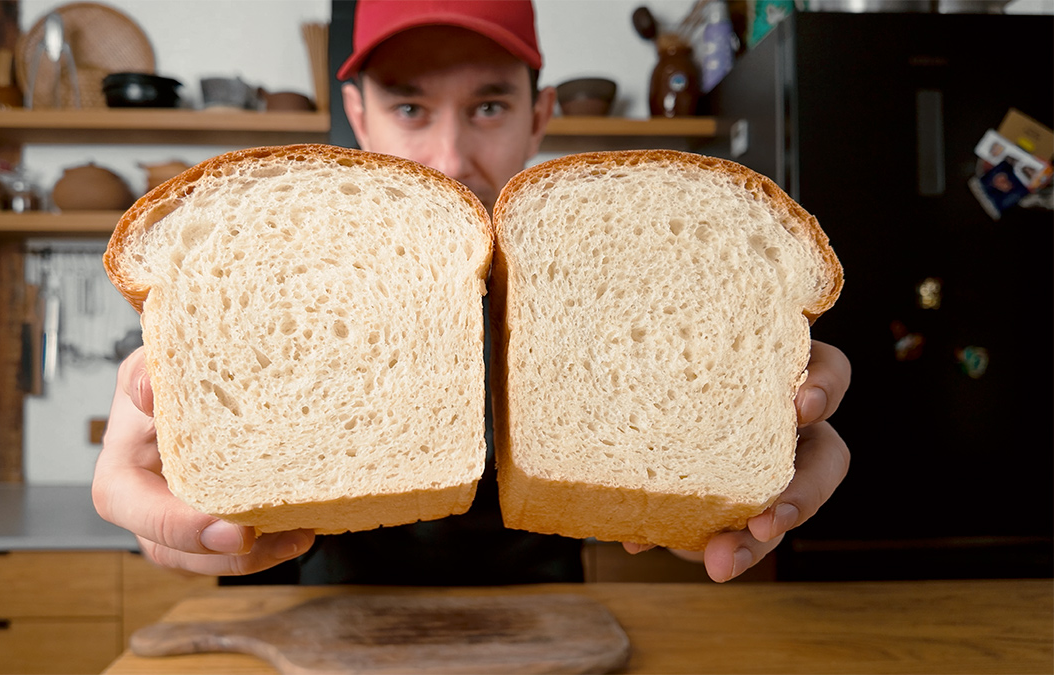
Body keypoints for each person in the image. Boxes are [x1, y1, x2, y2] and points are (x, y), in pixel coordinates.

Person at [93, 0, 851, 585]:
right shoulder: (268, 274)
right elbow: (176, 503)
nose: (451, 156)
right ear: (358, 115)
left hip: (551, 632)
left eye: (488, 106)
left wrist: (718, 489)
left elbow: (674, 519)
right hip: (319, 629)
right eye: (410, 108)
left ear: (540, 115)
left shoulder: (604, 276)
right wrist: (168, 510)